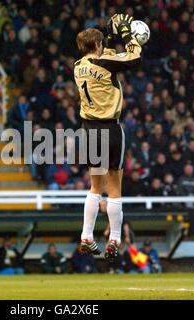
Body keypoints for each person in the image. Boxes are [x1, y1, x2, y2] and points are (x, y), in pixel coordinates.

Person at [74, 14, 143, 262]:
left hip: (89, 128)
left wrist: (110, 36)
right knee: (114, 189)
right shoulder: (105, 63)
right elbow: (133, 59)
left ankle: (86, 236)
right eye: (102, 42)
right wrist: (127, 35)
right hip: (111, 128)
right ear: (96, 45)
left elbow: (107, 56)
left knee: (95, 187)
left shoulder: (78, 65)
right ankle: (114, 238)